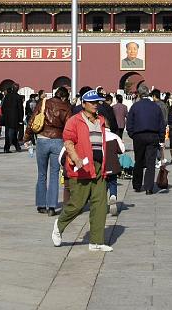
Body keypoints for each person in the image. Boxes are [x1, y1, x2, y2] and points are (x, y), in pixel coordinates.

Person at [51, 90, 113, 252]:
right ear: (83, 104)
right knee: (77, 204)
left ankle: (96, 241)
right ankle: (60, 224)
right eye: (92, 102)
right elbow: (68, 142)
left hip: (99, 166)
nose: (95, 105)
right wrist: (75, 157)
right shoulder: (74, 121)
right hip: (81, 167)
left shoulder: (101, 120)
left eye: (97, 102)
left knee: (100, 204)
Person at [27, 86, 71, 217]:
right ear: (64, 96)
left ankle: (41, 204)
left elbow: (32, 120)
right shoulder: (66, 107)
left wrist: (26, 136)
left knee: (41, 174)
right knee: (54, 175)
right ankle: (51, 206)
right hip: (58, 141)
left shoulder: (44, 103)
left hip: (42, 139)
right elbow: (69, 127)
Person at [126, 84, 166, 194]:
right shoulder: (155, 107)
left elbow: (129, 123)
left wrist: (132, 134)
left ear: (139, 94)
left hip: (138, 136)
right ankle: (149, 188)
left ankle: (137, 186)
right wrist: (161, 138)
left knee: (138, 161)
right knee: (150, 162)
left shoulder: (135, 106)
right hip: (153, 136)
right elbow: (161, 124)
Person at [1, 85, 24, 152]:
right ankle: (7, 148)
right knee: (11, 133)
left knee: (10, 133)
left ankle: (17, 147)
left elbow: (2, 107)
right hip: (15, 118)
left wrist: (5, 115)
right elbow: (20, 109)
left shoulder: (7, 96)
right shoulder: (18, 97)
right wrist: (20, 119)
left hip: (7, 118)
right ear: (17, 89)